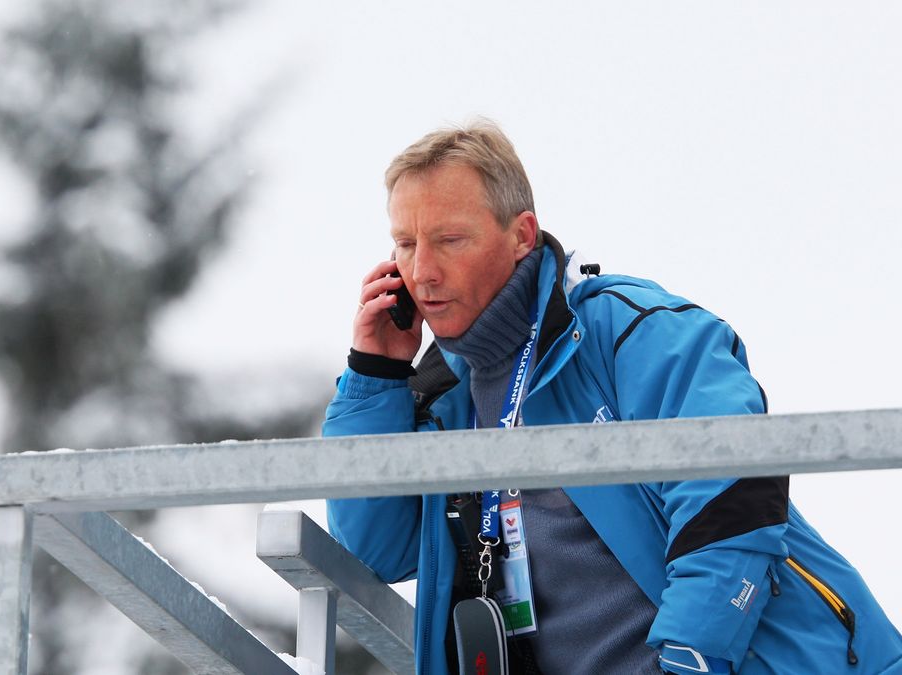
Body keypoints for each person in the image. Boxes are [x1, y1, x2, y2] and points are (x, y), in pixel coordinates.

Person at [323, 120, 902, 675]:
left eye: (449, 240)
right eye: (405, 244)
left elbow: (733, 492)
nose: (421, 272)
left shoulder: (624, 330)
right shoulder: (438, 397)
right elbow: (378, 552)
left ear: (521, 235)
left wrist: (691, 658)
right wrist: (374, 375)